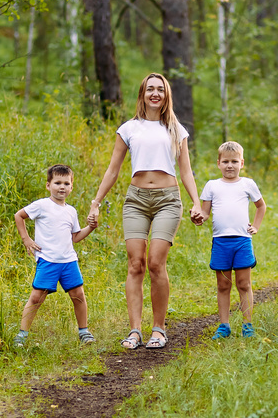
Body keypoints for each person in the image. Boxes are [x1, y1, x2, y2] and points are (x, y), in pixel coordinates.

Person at [87, 73, 202, 349]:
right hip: (136, 200)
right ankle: (135, 331)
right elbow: (113, 169)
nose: (155, 94)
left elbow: (185, 170)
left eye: (160, 90)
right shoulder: (129, 128)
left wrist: (196, 202)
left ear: (166, 95)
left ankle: (159, 329)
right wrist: (96, 201)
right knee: (135, 263)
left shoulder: (176, 129)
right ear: (142, 93)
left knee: (155, 263)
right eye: (150, 89)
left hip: (167, 200)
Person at [13, 164, 98, 347]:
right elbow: (19, 216)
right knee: (37, 297)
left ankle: (84, 332)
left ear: (71, 187)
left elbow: (75, 237)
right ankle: (22, 334)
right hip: (48, 260)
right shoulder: (42, 205)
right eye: (57, 182)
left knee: (78, 295)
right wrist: (26, 239)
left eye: (66, 183)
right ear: (48, 185)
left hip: (69, 261)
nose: (62, 187)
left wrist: (90, 227)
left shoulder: (71, 211)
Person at [193, 141, 267, 339]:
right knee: (223, 285)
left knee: (244, 284)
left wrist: (256, 226)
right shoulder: (212, 186)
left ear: (242, 163)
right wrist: (199, 217)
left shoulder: (247, 184)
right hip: (221, 242)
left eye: (234, 161)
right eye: (225, 161)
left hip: (242, 241)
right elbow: (206, 213)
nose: (230, 165)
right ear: (218, 163)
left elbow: (261, 206)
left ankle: (247, 324)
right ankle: (224, 326)